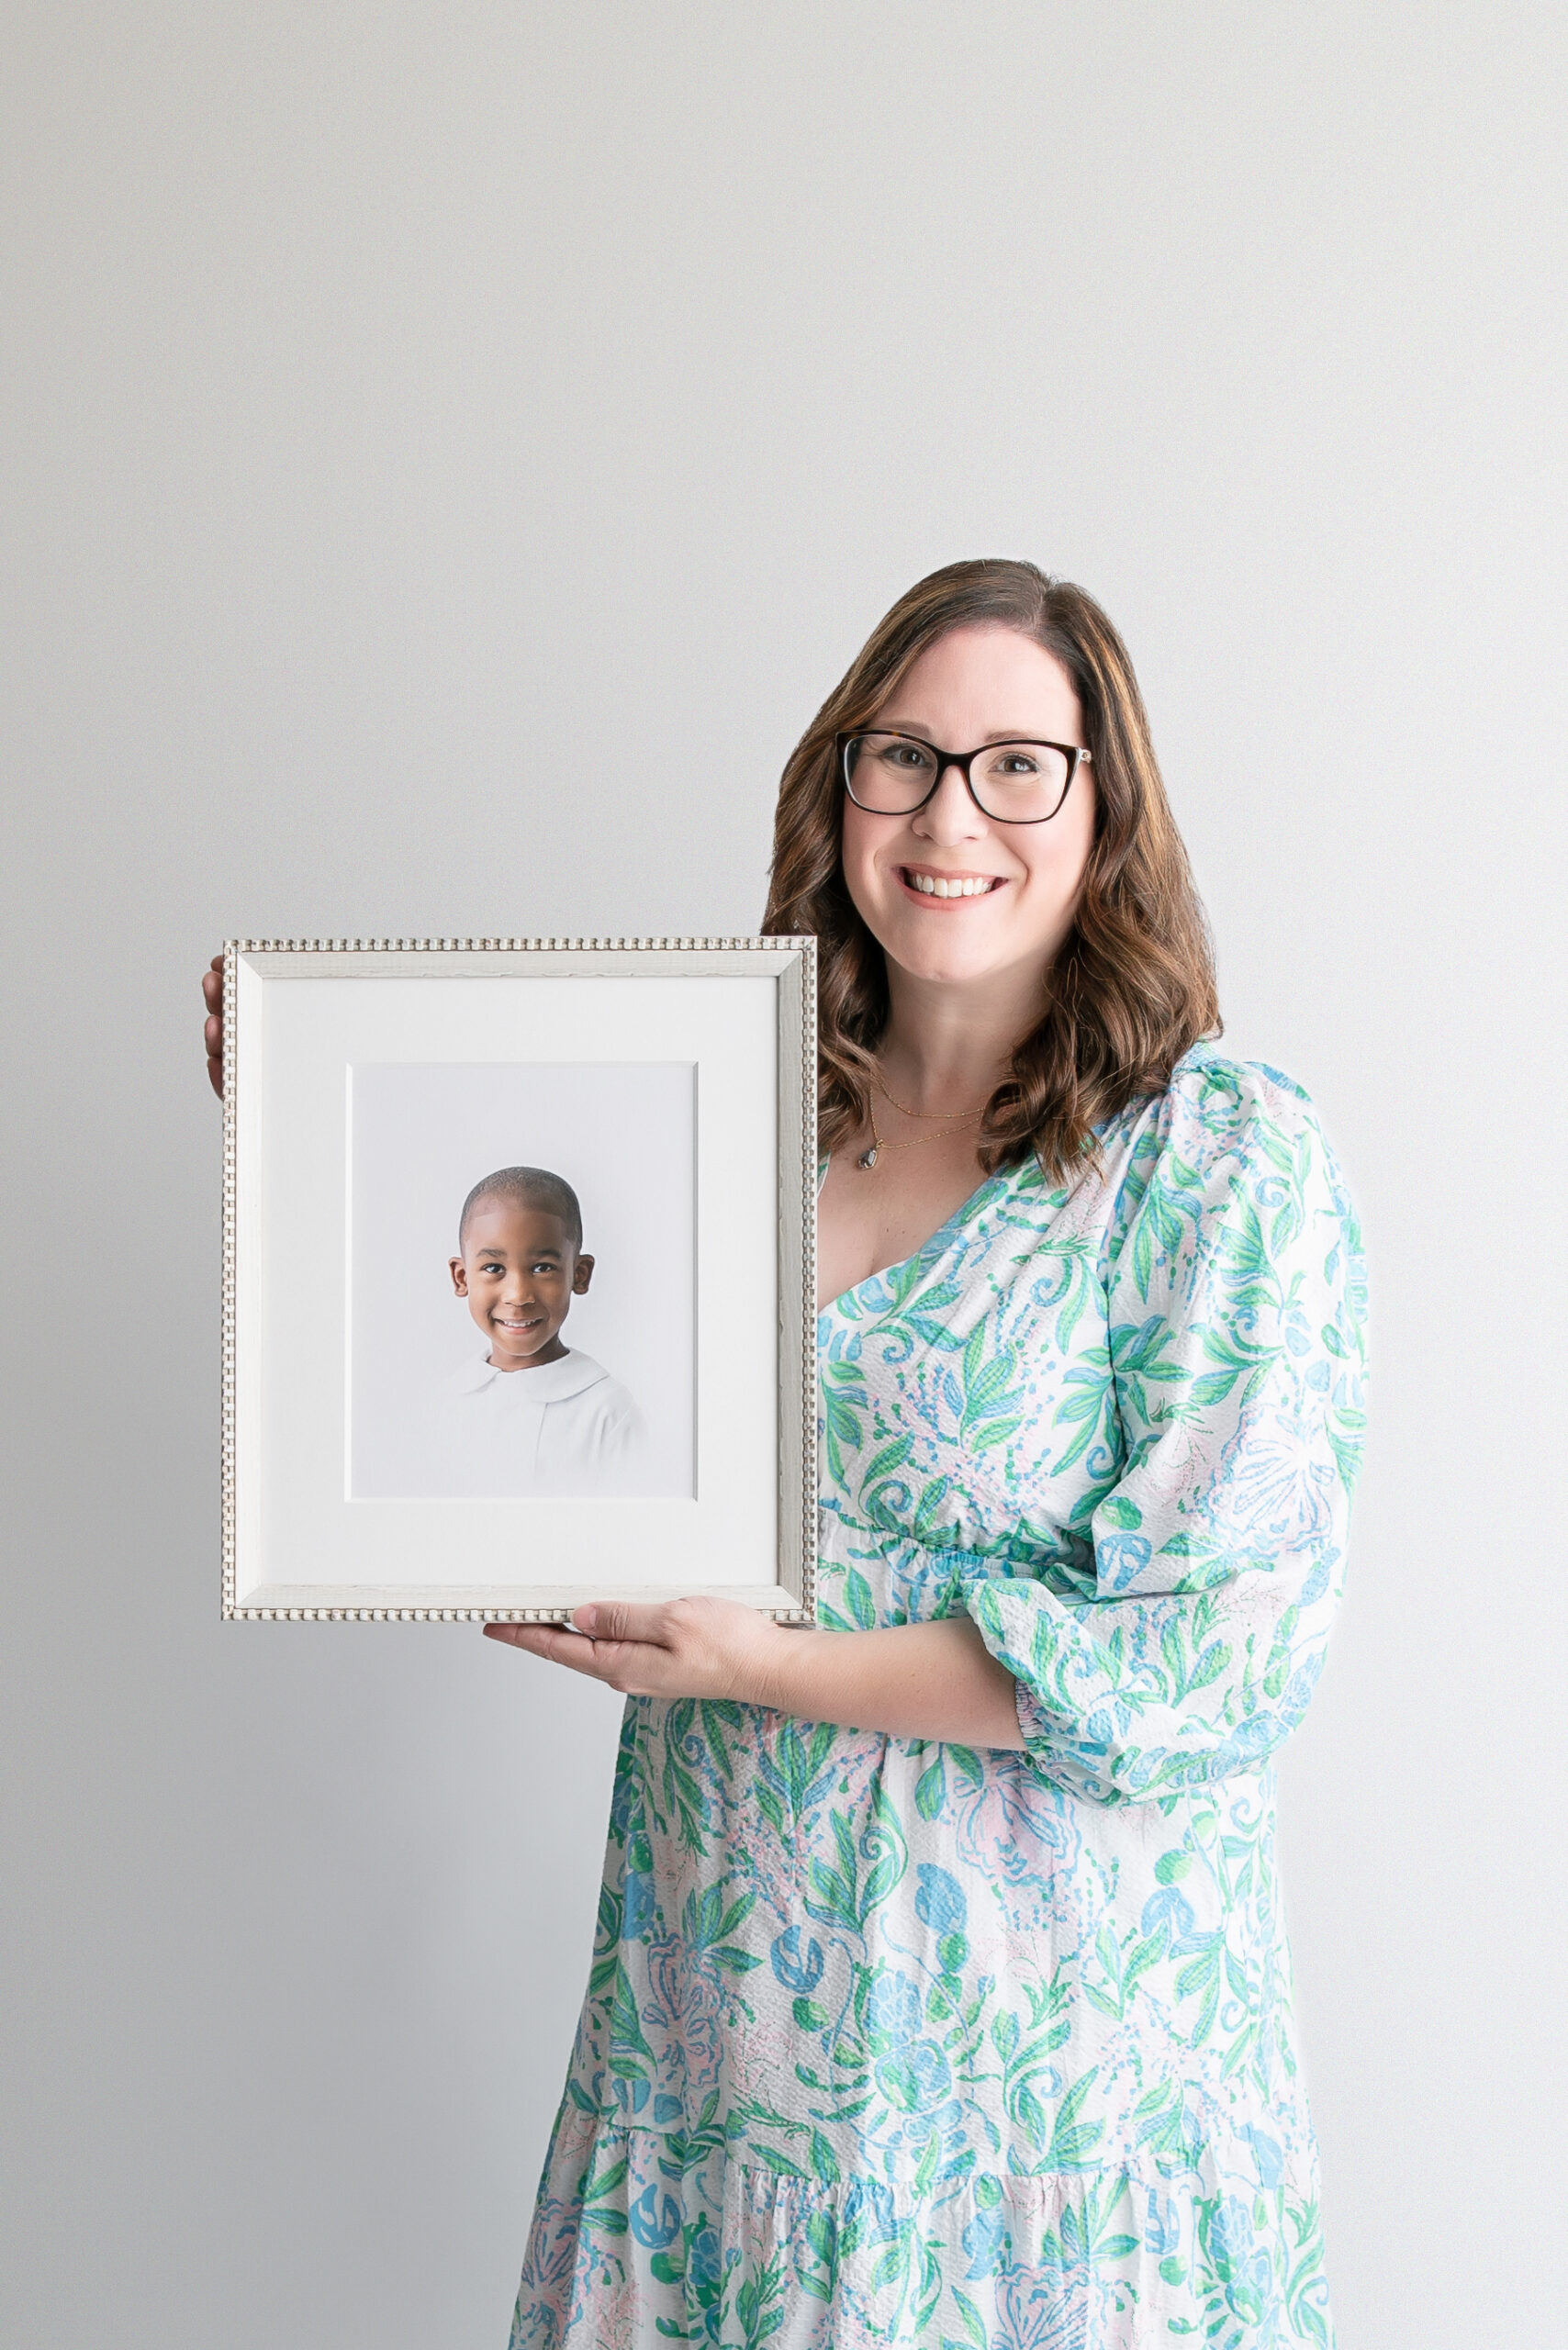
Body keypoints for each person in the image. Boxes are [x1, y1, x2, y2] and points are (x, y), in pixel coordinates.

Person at [200, 559, 1366, 2347]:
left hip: (1046, 2091)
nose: (947, 810)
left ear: (1103, 806)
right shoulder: (723, 1126)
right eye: (897, 755)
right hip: (721, 2037)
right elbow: (533, 1376)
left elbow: (1213, 1653)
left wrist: (770, 1663)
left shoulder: (1210, 1155)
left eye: (1015, 762)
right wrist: (317, 1111)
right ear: (835, 793)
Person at [434, 1164, 644, 1496]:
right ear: (462, 1278)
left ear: (579, 1274)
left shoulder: (607, 1411)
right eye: (493, 1268)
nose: (518, 1295)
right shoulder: (444, 1405)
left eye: (542, 1267)